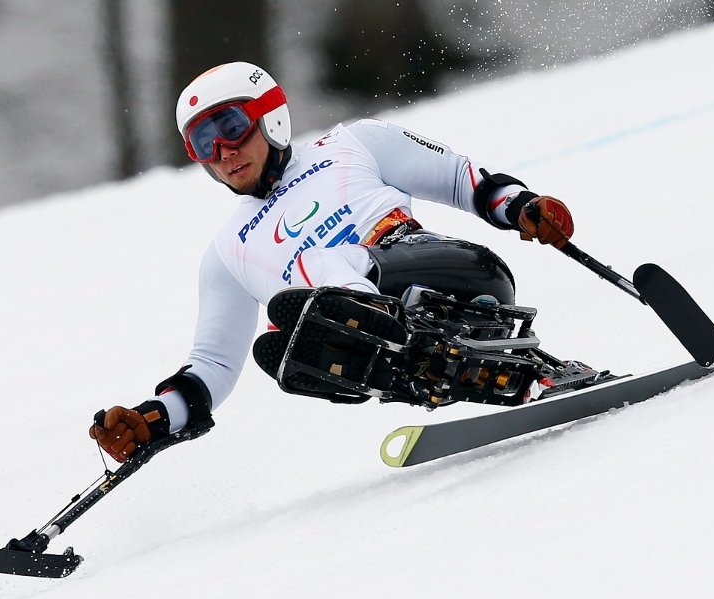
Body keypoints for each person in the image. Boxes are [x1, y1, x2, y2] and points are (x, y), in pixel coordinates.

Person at [89, 61, 574, 463]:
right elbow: (212, 364)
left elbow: (464, 181)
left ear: (270, 117)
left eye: (232, 127)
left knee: (317, 270)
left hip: (459, 277)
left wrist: (524, 208)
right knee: (283, 342)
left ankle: (374, 317)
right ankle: (521, 378)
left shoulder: (353, 144)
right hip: (402, 352)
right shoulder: (227, 253)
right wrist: (155, 418)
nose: (223, 152)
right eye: (203, 143)